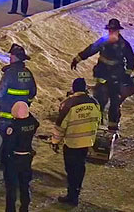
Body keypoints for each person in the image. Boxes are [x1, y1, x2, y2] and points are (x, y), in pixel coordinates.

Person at [71, 18, 134, 133]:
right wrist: (78, 58)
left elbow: (131, 59)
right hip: (103, 78)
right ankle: (96, 125)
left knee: (115, 103)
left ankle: (112, 128)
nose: (112, 32)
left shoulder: (124, 44)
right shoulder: (104, 41)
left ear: (118, 31)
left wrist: (127, 74)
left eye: (113, 30)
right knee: (99, 102)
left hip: (116, 79)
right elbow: (91, 49)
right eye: (110, 30)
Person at [51, 78, 101, 206]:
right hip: (86, 142)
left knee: (71, 169)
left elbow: (60, 125)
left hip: (72, 143)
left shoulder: (69, 104)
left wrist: (55, 141)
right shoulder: (94, 103)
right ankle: (76, 191)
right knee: (80, 167)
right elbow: (98, 120)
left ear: (73, 88)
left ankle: (72, 196)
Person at [0, 44, 37, 135]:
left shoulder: (10, 73)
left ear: (15, 57)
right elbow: (33, 92)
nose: (10, 57)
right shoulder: (28, 73)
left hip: (5, 114)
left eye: (11, 55)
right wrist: (26, 104)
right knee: (15, 137)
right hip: (20, 116)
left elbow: (1, 91)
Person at [2, 101, 40, 212]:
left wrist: (4, 159)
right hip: (27, 158)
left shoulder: (13, 126)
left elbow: (8, 145)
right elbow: (35, 122)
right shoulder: (32, 123)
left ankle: (10, 209)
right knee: (25, 185)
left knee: (11, 188)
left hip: (14, 159)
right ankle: (24, 208)